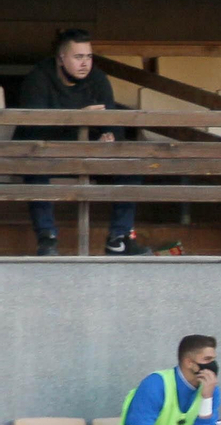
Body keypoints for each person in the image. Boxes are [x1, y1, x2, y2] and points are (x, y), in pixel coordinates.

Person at [16, 29, 150, 257]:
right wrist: (78, 117)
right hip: (45, 152)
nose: (85, 63)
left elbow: (112, 121)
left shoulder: (98, 79)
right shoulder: (38, 78)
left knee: (131, 165)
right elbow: (33, 128)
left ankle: (119, 238)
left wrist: (108, 137)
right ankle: (47, 238)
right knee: (35, 167)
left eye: (88, 57)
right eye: (78, 57)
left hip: (88, 152)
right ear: (61, 59)